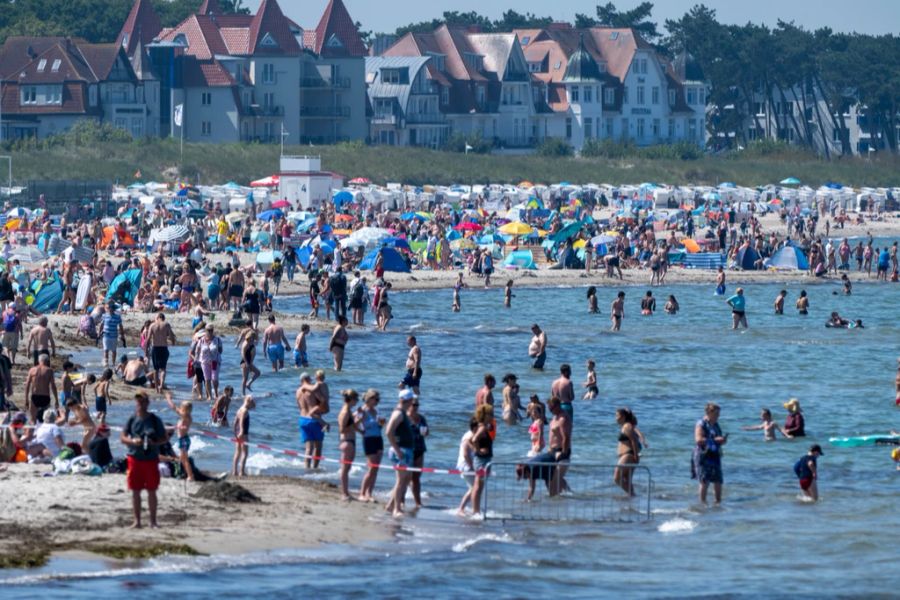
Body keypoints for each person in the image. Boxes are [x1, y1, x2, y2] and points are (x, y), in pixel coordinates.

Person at [120, 392, 167, 528]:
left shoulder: (154, 420)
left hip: (151, 459)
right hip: (134, 458)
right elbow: (123, 437)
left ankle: (153, 522)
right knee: (135, 491)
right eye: (138, 402)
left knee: (152, 490)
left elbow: (164, 438)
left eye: (142, 402)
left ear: (147, 403)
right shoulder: (132, 419)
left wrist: (153, 442)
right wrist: (133, 441)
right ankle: (137, 521)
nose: (140, 404)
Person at [385, 389, 417, 517]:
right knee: (400, 480)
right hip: (401, 450)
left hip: (406, 449)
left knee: (405, 479)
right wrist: (397, 450)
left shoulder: (403, 413)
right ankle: (396, 509)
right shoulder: (398, 414)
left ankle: (390, 505)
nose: (412, 403)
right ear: (406, 400)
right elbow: (388, 432)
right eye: (411, 400)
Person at [693, 402, 727, 505]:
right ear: (709, 412)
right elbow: (698, 440)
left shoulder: (716, 425)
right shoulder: (701, 423)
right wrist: (715, 440)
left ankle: (718, 502)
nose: (718, 416)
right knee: (704, 481)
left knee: (718, 480)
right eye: (716, 414)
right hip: (703, 455)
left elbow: (718, 438)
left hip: (715, 455)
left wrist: (722, 441)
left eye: (719, 414)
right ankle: (703, 503)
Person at [297, 371, 330, 469]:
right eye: (310, 379)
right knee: (317, 447)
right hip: (314, 420)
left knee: (308, 448)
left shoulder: (298, 391)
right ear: (307, 380)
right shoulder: (312, 390)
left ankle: (307, 467)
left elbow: (299, 406)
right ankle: (315, 468)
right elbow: (323, 400)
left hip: (303, 419)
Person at [357, 389, 384, 502]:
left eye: (378, 399)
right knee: (371, 467)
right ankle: (362, 493)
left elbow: (379, 426)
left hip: (378, 438)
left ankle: (369, 493)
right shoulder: (362, 410)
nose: (378, 401)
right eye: (376, 399)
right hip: (368, 439)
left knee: (376, 468)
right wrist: (361, 432)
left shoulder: (376, 411)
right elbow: (353, 423)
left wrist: (381, 424)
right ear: (369, 399)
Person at [468, 403, 494, 517]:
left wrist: (476, 450)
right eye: (491, 414)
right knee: (478, 487)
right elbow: (473, 439)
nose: (493, 416)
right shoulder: (482, 427)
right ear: (485, 415)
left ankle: (476, 510)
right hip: (482, 460)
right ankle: (476, 511)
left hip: (481, 460)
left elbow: (470, 440)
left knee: (477, 486)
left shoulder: (481, 426)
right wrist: (478, 450)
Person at [337, 389, 362, 501]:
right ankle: (344, 493)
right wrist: (357, 421)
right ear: (351, 399)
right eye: (356, 399)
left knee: (347, 469)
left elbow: (351, 424)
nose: (357, 401)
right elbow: (342, 429)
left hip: (350, 441)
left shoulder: (349, 411)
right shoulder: (345, 412)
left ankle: (346, 492)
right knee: (345, 469)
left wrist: (357, 418)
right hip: (346, 441)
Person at [164, 391, 195, 482]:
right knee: (181, 458)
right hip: (183, 439)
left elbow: (174, 408)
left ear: (185, 409)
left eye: (181, 407)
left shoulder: (186, 416)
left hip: (183, 440)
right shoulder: (185, 417)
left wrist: (169, 399)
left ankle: (190, 476)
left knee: (184, 459)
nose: (180, 408)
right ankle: (183, 473)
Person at [407, 397, 429, 508]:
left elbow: (427, 431)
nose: (415, 407)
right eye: (413, 405)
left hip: (419, 448)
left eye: (417, 405)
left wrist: (425, 433)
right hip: (407, 450)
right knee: (406, 477)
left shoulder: (421, 418)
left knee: (416, 478)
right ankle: (400, 500)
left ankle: (418, 502)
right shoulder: (404, 417)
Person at [24, 354, 58, 424]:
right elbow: (53, 386)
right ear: (47, 361)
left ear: (39, 360)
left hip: (35, 396)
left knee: (33, 420)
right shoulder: (49, 370)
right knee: (46, 420)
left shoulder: (32, 370)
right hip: (45, 397)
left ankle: (34, 434)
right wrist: (56, 400)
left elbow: (27, 385)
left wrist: (26, 399)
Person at [147, 312, 176, 393]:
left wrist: (146, 350)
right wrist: (173, 342)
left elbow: (148, 338)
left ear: (158, 317)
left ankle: (156, 388)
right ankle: (161, 386)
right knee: (163, 369)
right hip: (163, 348)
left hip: (155, 348)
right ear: (163, 318)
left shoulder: (152, 325)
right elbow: (171, 336)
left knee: (155, 369)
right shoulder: (166, 324)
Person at [614, 408, 640, 496]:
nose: (616, 418)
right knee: (627, 479)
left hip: (628, 455)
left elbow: (634, 441)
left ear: (623, 417)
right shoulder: (624, 426)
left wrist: (636, 456)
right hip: (626, 455)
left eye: (617, 416)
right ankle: (631, 500)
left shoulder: (627, 426)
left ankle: (632, 495)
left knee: (616, 478)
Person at [456, 417, 479, 515]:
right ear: (474, 428)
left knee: (474, 487)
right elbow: (465, 454)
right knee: (474, 488)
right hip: (466, 466)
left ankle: (472, 508)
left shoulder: (473, 435)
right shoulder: (468, 437)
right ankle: (461, 508)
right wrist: (472, 467)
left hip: (469, 465)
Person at [232, 395, 255, 478]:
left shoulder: (239, 409)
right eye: (251, 402)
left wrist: (235, 431)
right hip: (243, 433)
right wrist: (241, 431)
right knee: (245, 452)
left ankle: (234, 471)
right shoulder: (244, 411)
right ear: (248, 402)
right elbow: (241, 421)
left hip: (237, 433)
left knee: (237, 452)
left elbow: (235, 422)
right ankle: (241, 471)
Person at [97, 303, 126, 367]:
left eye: (112, 308)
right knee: (106, 349)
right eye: (109, 308)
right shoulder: (104, 315)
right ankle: (106, 363)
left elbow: (121, 327)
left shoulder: (117, 317)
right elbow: (101, 325)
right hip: (106, 335)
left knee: (113, 351)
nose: (110, 309)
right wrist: (99, 333)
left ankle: (113, 363)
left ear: (114, 309)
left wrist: (122, 335)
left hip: (114, 336)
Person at [236, 326, 260, 395]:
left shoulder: (251, 343)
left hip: (250, 362)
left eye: (253, 338)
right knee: (244, 378)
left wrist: (257, 334)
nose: (252, 339)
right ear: (249, 337)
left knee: (258, 373)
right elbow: (242, 354)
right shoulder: (245, 343)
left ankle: (248, 384)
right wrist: (246, 362)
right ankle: (243, 394)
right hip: (245, 362)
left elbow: (257, 342)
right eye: (252, 337)